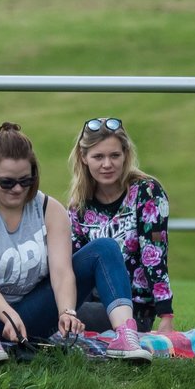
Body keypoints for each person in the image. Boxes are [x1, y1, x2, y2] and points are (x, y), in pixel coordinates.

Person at [0, 122, 153, 365]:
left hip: (26, 319)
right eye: (7, 182)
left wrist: (67, 312)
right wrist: (7, 317)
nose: (18, 189)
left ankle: (126, 337)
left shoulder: (49, 209)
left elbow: (62, 273)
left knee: (104, 248)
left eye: (26, 180)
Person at [67, 117, 174, 333]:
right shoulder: (78, 205)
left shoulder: (148, 193)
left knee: (51, 321)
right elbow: (73, 264)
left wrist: (166, 315)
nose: (107, 164)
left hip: (132, 309)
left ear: (125, 155)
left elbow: (154, 256)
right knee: (55, 313)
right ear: (84, 157)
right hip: (88, 299)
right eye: (98, 156)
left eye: (114, 155)